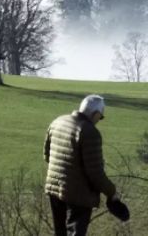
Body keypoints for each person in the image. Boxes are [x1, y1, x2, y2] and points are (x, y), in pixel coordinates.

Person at [44, 94, 120, 236]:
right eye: (101, 117)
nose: (100, 120)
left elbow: (47, 155)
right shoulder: (89, 132)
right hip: (79, 195)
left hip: (54, 188)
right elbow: (95, 173)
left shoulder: (57, 122)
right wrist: (112, 192)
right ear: (95, 113)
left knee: (60, 233)